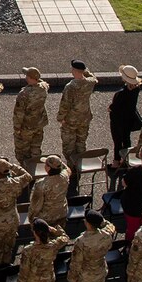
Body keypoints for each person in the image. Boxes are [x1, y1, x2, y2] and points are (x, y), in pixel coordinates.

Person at [57, 60, 97, 188]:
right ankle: (79, 164)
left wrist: (60, 117)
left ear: (74, 70)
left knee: (69, 144)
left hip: (71, 119)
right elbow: (93, 77)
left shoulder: (71, 86)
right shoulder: (90, 83)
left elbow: (65, 104)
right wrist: (86, 70)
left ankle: (71, 167)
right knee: (81, 141)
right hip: (84, 117)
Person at [12, 68, 51, 175]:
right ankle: (36, 171)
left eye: (27, 76)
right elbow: (42, 82)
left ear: (29, 78)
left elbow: (18, 114)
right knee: (36, 148)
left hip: (26, 126)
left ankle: (25, 173)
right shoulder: (44, 88)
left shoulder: (24, 93)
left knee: (22, 152)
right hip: (39, 123)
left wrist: (17, 128)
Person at [109, 66, 142, 162]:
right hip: (129, 119)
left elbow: (113, 107)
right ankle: (126, 160)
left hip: (118, 121)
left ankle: (116, 161)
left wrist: (110, 108)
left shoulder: (121, 93)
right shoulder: (136, 88)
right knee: (126, 139)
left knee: (117, 142)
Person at [28, 154, 70, 230]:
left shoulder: (40, 184)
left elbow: (35, 205)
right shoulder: (65, 176)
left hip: (47, 218)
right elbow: (68, 169)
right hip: (62, 212)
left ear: (48, 168)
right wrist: (59, 163)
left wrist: (31, 219)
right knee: (60, 234)